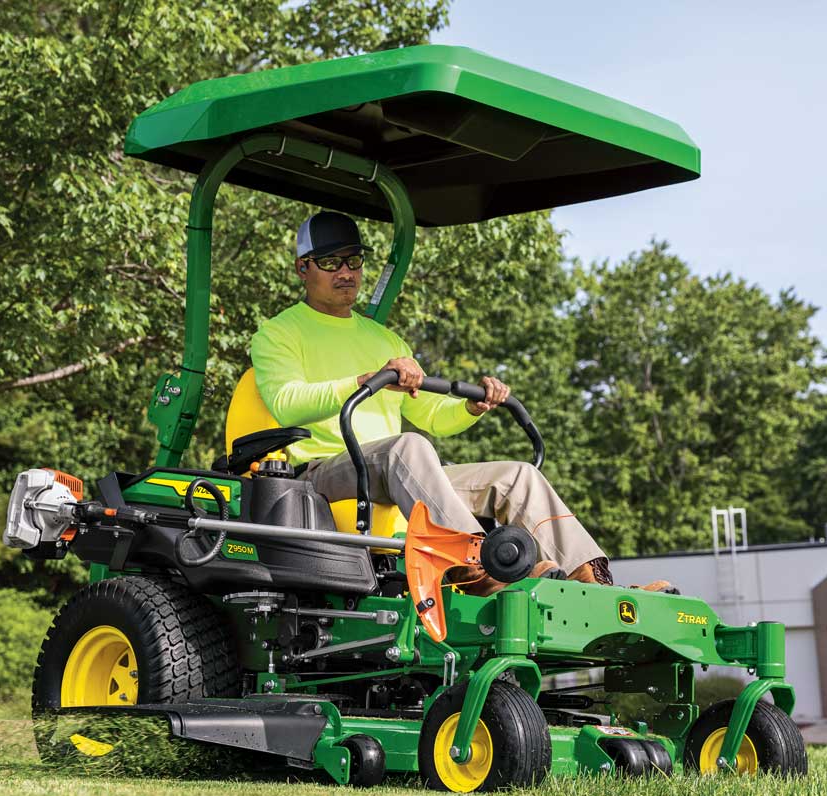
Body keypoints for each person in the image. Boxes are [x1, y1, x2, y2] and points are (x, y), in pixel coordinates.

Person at [250, 211, 635, 594]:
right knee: (408, 447)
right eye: (331, 263)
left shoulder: (386, 340)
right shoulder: (278, 334)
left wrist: (470, 409)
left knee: (518, 477)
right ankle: (474, 566)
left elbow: (430, 416)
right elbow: (286, 403)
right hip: (320, 474)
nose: (345, 272)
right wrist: (362, 381)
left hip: (393, 470)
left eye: (354, 261)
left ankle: (591, 584)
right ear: (303, 269)